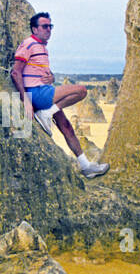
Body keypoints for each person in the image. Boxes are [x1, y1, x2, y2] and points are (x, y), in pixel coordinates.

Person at [11, 11, 109, 178]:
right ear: (34, 29)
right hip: (37, 94)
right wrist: (26, 99)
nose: (48, 29)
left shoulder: (41, 47)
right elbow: (15, 72)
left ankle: (86, 167)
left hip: (43, 90)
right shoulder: (28, 44)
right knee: (81, 91)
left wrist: (52, 77)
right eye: (44, 26)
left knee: (66, 127)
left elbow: (41, 72)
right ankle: (46, 113)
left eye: (51, 26)